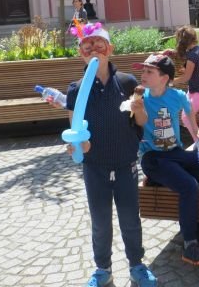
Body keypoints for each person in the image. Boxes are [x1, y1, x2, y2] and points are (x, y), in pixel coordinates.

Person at [61, 23, 157, 287]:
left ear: (110, 49)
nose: (93, 50)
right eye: (87, 46)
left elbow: (141, 121)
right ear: (80, 53)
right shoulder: (76, 89)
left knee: (130, 219)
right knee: (101, 222)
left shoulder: (126, 82)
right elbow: (75, 128)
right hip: (95, 167)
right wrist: (78, 145)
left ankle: (137, 265)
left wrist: (139, 108)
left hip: (125, 163)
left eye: (99, 44)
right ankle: (103, 269)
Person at [132, 54, 199, 266]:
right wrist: (137, 108)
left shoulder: (178, 96)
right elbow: (139, 122)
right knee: (189, 186)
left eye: (149, 71)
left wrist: (196, 132)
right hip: (153, 157)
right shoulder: (139, 97)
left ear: (164, 78)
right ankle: (190, 245)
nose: (143, 75)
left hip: (176, 153)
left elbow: (189, 114)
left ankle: (162, 177)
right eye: (143, 71)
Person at [171, 25, 199, 142]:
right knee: (187, 116)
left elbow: (186, 77)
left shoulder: (192, 55)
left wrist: (170, 82)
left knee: (186, 117)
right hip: (196, 90)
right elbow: (196, 70)